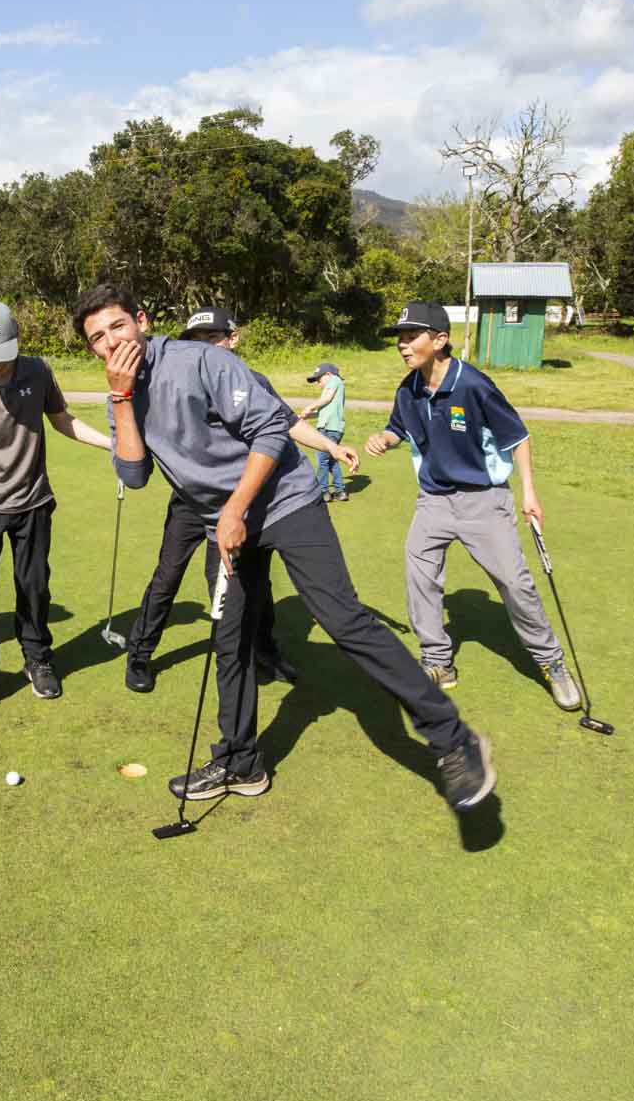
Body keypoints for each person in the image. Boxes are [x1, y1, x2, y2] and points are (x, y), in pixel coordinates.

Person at [75, 283, 495, 813]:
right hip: (225, 525)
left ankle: (454, 738)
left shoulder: (201, 361)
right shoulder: (118, 396)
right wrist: (120, 397)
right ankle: (241, 762)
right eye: (98, 338)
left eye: (118, 326)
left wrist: (235, 509)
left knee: (343, 619)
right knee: (231, 640)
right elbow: (135, 475)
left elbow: (273, 431)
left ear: (141, 320)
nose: (111, 342)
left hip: (286, 502)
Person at [122, 308, 358, 694]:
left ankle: (263, 650)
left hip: (239, 502)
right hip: (191, 503)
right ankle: (139, 654)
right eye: (197, 340)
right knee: (167, 576)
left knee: (249, 583)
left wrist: (330, 446)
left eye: (213, 338)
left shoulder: (253, 379)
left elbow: (285, 422)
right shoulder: (180, 374)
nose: (205, 347)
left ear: (232, 339)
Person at [363, 302, 581, 713]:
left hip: (484, 500)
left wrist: (529, 493)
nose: (402, 345)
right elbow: (397, 428)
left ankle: (551, 661)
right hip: (433, 501)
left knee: (515, 584)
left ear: (440, 340)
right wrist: (384, 439)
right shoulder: (407, 389)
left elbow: (518, 437)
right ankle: (437, 661)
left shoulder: (474, 385)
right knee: (420, 577)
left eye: (411, 337)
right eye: (400, 338)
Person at [0, 300, 112, 723]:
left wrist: (111, 445)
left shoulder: (38, 371)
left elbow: (61, 419)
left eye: (3, 354)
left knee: (34, 587)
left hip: (33, 501)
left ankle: (38, 659)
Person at [300, 362, 349, 502]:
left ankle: (323, 492)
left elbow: (326, 398)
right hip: (331, 428)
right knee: (331, 461)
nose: (318, 383)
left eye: (319, 379)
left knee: (322, 461)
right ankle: (340, 491)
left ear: (328, 374)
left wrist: (309, 406)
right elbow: (322, 412)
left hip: (329, 429)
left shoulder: (334, 380)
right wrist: (306, 416)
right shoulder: (329, 390)